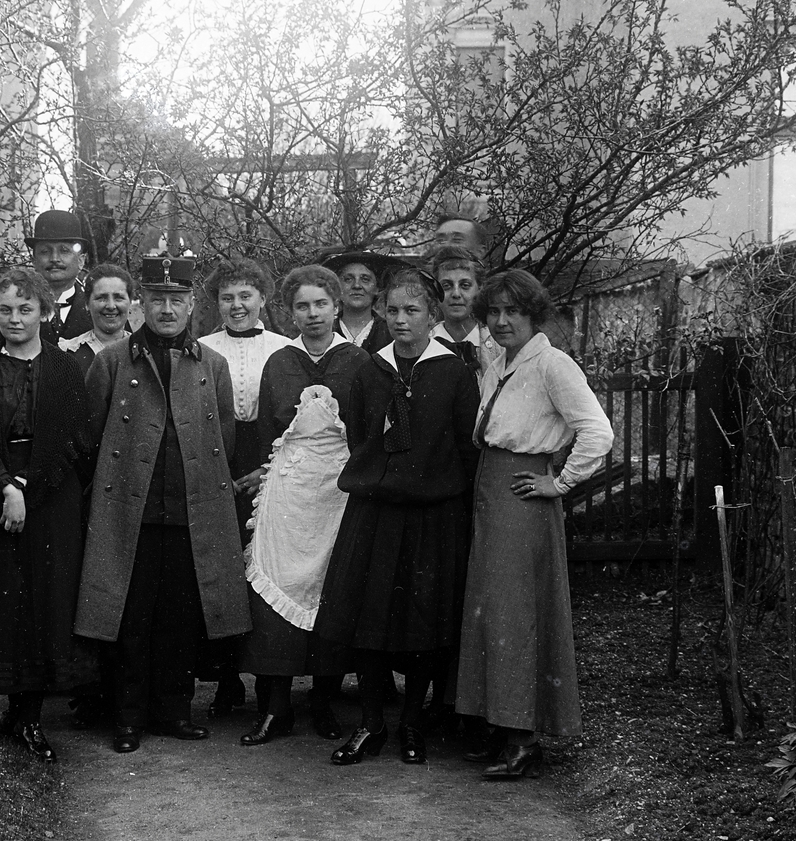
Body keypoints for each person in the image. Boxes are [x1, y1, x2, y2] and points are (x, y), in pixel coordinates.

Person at [74, 255, 250, 753]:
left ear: (192, 305)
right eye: (157, 300)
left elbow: (226, 439)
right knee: (130, 617)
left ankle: (174, 711)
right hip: (132, 514)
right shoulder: (112, 362)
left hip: (192, 513)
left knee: (180, 616)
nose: (167, 309)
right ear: (140, 305)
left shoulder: (211, 365)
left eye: (177, 300)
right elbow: (89, 437)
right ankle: (128, 717)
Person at [314, 266, 480, 768]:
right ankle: (372, 722)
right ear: (382, 315)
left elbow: (464, 447)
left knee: (423, 620)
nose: (402, 320)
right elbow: (361, 436)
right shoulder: (370, 372)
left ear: (433, 315)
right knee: (368, 618)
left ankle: (412, 721)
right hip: (377, 514)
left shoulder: (453, 372)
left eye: (413, 311)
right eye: (394, 311)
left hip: (433, 517)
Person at [455, 268, 614, 780]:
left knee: (514, 612)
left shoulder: (553, 365)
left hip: (522, 494)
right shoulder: (498, 360)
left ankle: (524, 739)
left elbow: (598, 432)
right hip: (490, 486)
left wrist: (560, 483)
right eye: (494, 312)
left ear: (533, 315)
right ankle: (502, 727)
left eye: (513, 313)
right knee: (489, 610)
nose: (501, 322)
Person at [0, 266, 92, 763]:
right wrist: (6, 485)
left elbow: (73, 439)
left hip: (50, 495)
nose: (14, 318)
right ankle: (11, 711)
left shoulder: (66, 369)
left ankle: (31, 719)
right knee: (1, 600)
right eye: (5, 309)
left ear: (44, 313)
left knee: (43, 601)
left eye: (25, 309)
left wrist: (27, 487)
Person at [236, 263, 369, 743]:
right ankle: (274, 706)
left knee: (329, 590)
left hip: (338, 491)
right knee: (277, 584)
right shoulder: (280, 362)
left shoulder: (358, 361)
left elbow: (369, 431)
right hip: (288, 492)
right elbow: (269, 432)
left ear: (337, 307)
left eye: (321, 304)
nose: (312, 314)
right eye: (302, 306)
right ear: (289, 312)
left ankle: (324, 701)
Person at [197, 258, 292, 717]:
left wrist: (264, 467)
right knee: (220, 569)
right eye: (227, 297)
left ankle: (272, 682)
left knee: (266, 567)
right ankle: (227, 679)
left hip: (268, 459)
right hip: (216, 458)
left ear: (262, 299)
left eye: (245, 296)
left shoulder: (283, 349)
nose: (237, 306)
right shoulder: (200, 348)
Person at [0, 210, 92, 350]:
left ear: (81, 261)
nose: (55, 259)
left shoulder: (98, 312)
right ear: (34, 261)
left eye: (64, 251)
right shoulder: (9, 316)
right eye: (45, 251)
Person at [60, 262, 136, 374]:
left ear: (130, 302)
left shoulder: (144, 352)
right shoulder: (68, 353)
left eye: (118, 298)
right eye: (102, 298)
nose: (111, 306)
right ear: (87, 303)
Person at [430, 246, 495, 375]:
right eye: (446, 286)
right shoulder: (424, 341)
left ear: (480, 289)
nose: (456, 294)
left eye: (465, 285)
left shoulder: (498, 343)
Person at [320, 249, 394, 354]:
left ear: (377, 288)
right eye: (348, 279)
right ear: (337, 287)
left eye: (365, 279)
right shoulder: (324, 331)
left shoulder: (390, 333)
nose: (357, 285)